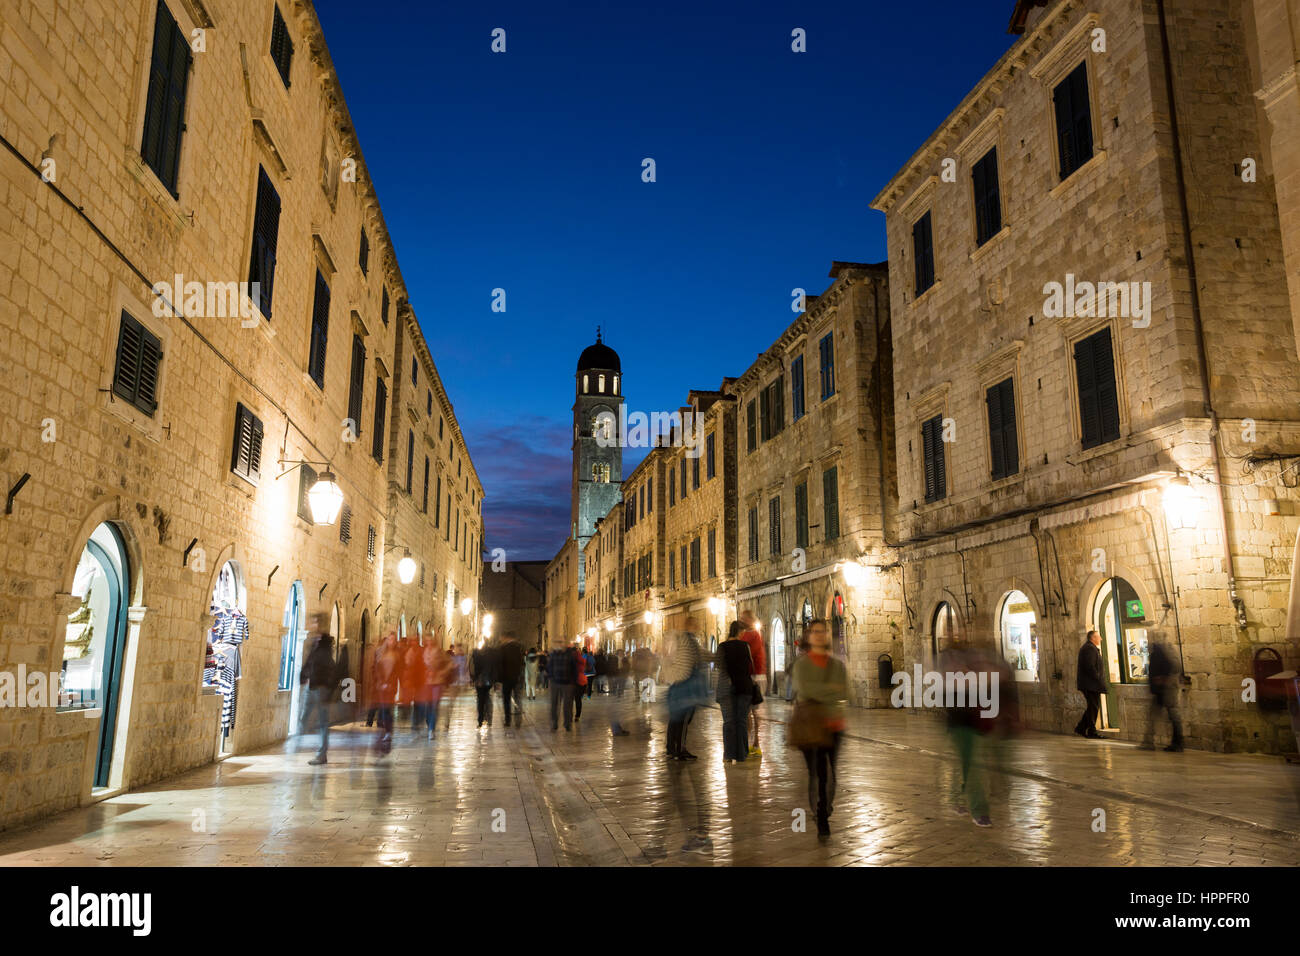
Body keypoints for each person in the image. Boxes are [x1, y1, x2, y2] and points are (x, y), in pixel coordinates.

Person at [790, 619, 847, 838]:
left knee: (830, 774)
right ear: (808, 636)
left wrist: (821, 692)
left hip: (834, 725)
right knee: (817, 773)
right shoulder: (801, 666)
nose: (819, 635)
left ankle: (824, 807)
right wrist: (828, 690)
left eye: (823, 631)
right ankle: (820, 814)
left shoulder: (837, 665)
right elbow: (804, 690)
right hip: (810, 725)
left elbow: (843, 692)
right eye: (815, 632)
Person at [663, 620, 704, 760]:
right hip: (685, 686)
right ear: (690, 626)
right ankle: (679, 749)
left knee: (675, 719)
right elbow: (691, 662)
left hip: (676, 685)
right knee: (683, 720)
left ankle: (671, 748)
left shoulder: (679, 640)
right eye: (695, 626)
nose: (697, 628)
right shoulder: (688, 641)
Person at [717, 621, 755, 764]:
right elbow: (751, 667)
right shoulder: (745, 646)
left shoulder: (722, 647)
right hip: (744, 687)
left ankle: (728, 755)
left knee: (728, 722)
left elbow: (719, 667)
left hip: (726, 688)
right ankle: (741, 754)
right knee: (741, 721)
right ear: (740, 632)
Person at [299, 626, 337, 765]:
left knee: (322, 723)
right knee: (314, 720)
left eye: (318, 637)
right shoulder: (319, 651)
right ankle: (318, 752)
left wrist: (327, 689)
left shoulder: (323, 653)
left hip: (320, 689)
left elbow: (329, 672)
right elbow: (310, 665)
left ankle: (321, 755)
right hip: (315, 687)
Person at [1142, 638, 1184, 752]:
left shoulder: (1159, 653)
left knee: (1172, 715)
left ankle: (1176, 743)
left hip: (1164, 690)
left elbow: (1169, 667)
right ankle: (1149, 741)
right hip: (1162, 690)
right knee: (1159, 715)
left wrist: (1161, 680)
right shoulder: (1163, 652)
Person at [738, 610, 766, 757]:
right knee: (748, 711)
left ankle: (755, 742)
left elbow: (749, 653)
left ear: (749, 619)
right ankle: (749, 742)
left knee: (753, 710)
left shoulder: (754, 634)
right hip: (749, 675)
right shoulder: (744, 634)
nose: (741, 620)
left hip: (756, 676)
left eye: (744, 618)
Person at [371, 631, 400, 757]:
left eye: (393, 640)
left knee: (387, 708)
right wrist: (380, 681)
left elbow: (398, 671)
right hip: (380, 686)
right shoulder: (379, 652)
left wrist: (391, 683)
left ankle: (387, 731)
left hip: (391, 686)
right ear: (387, 640)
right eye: (390, 639)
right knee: (383, 708)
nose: (391, 642)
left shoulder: (397, 655)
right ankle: (384, 730)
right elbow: (375, 668)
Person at [1075, 629, 1105, 739]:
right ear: (1093, 638)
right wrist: (1098, 678)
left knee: (1092, 707)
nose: (1101, 639)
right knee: (1093, 707)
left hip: (1091, 684)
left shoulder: (1090, 648)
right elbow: (1090, 667)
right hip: (1091, 684)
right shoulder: (1089, 649)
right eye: (1098, 636)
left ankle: (1081, 728)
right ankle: (1090, 731)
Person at [548, 640, 578, 731]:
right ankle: (554, 723)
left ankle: (567, 724)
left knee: (567, 705)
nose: (560, 644)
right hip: (555, 683)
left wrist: (573, 681)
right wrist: (551, 678)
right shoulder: (553, 655)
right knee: (554, 704)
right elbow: (549, 667)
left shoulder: (570, 655)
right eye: (558, 642)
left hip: (567, 683)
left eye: (561, 642)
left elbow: (574, 669)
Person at [498, 631, 526, 728]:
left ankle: (508, 720)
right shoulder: (520, 648)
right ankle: (518, 721)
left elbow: (500, 665)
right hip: (517, 677)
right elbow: (522, 663)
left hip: (506, 679)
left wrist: (499, 680)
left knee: (506, 700)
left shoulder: (503, 648)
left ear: (506, 638)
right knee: (518, 698)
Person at [470, 640, 498, 728]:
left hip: (479, 681)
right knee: (488, 699)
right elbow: (495, 668)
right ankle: (489, 719)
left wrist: (473, 678)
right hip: (489, 680)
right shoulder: (492, 654)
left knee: (480, 700)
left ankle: (480, 720)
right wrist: (495, 681)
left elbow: (471, 667)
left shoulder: (476, 654)